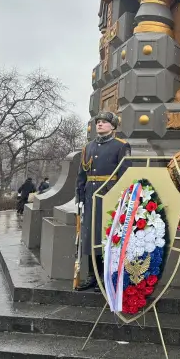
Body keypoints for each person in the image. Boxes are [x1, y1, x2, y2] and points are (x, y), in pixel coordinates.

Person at [75, 111, 131, 291]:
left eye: (104, 122)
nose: (99, 124)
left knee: (106, 237)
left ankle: (106, 276)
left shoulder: (121, 146)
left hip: (109, 196)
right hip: (91, 197)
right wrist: (80, 197)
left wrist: (120, 198)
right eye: (98, 122)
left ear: (113, 126)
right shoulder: (88, 147)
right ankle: (93, 275)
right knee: (90, 237)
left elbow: (124, 175)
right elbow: (82, 175)